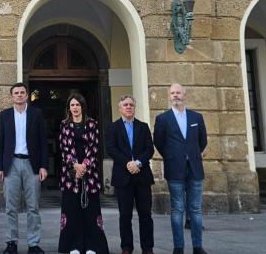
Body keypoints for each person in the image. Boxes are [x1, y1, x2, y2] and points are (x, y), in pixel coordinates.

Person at [154, 83, 208, 254]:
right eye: (172, 93)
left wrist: (191, 154)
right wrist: (172, 155)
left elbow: (203, 141)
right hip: (174, 168)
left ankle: (198, 247)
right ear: (169, 96)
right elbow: (158, 142)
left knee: (196, 209)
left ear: (184, 94)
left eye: (178, 92)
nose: (175, 95)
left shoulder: (196, 117)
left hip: (195, 168)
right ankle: (178, 247)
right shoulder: (162, 119)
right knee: (177, 208)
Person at [0, 82, 48, 254]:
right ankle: (11, 243)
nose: (19, 95)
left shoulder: (36, 114)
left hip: (31, 164)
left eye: (22, 92)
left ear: (27, 95)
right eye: (16, 93)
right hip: (11, 164)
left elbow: (43, 142)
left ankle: (33, 244)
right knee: (11, 207)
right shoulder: (5, 115)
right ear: (12, 96)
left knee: (33, 207)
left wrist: (43, 166)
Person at [57, 93, 109, 254]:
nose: (75, 108)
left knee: (90, 212)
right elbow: (64, 149)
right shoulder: (64, 125)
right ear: (69, 108)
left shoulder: (92, 124)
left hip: (90, 174)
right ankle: (73, 246)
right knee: (72, 211)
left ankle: (92, 246)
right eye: (72, 105)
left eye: (78, 105)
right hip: (70, 176)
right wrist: (75, 166)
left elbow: (94, 148)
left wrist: (84, 166)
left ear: (82, 107)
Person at [106, 95, 155, 254]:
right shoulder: (113, 127)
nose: (128, 107)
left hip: (142, 176)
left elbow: (149, 149)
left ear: (135, 108)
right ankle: (126, 247)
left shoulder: (143, 126)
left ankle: (147, 248)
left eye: (131, 105)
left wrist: (138, 163)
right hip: (123, 177)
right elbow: (111, 149)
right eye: (125, 105)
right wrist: (128, 162)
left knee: (145, 215)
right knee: (125, 216)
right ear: (120, 108)